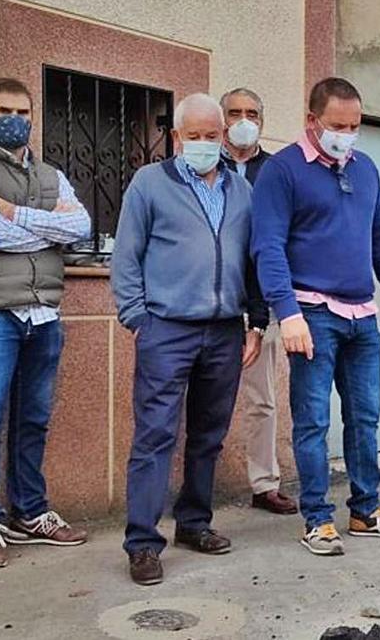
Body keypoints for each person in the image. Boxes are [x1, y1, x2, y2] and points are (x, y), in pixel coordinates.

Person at [252, 77, 380, 556]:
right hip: (311, 313)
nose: (347, 134)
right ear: (312, 121)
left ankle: (366, 510)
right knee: (312, 421)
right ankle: (318, 518)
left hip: (361, 315)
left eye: (354, 125)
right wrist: (286, 312)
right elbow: (267, 246)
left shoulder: (364, 168)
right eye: (337, 125)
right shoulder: (282, 172)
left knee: (365, 417)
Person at [112, 92, 268, 585]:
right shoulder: (150, 183)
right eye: (193, 136)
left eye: (211, 135)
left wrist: (256, 322)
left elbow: (254, 261)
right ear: (177, 137)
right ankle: (142, 542)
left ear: (223, 137)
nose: (203, 143)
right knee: (155, 434)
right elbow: (127, 256)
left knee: (208, 435)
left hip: (224, 331)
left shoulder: (241, 190)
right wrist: (138, 318)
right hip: (167, 328)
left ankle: (194, 523)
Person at [0, 77, 92, 571]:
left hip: (44, 314)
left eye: (24, 112)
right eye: (4, 110)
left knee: (33, 419)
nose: (16, 119)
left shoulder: (50, 174)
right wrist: (45, 231)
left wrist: (18, 216)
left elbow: (81, 227)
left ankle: (31, 511)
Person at [219, 87, 296, 515]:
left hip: (259, 307)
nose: (243, 120)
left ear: (262, 120)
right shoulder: (208, 167)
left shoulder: (277, 169)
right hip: (212, 303)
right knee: (202, 399)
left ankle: (264, 483)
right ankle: (195, 487)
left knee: (263, 399)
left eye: (251, 112)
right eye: (234, 112)